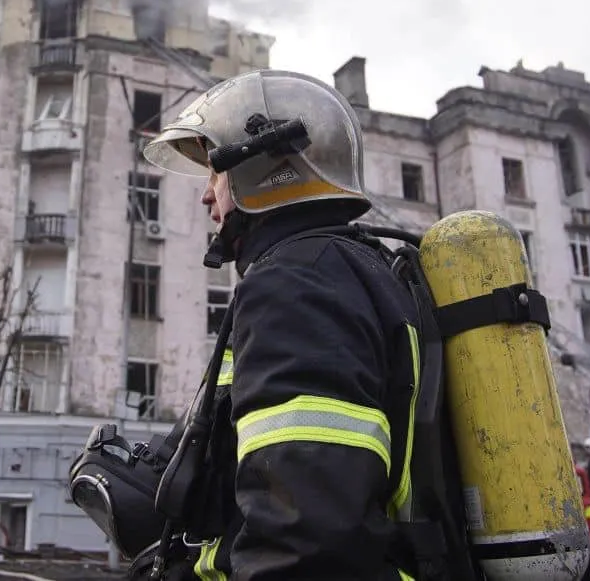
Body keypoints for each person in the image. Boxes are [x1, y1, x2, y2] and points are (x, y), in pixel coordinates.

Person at [137, 69, 424, 581]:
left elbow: (305, 540)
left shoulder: (298, 284)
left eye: (214, 174)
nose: (206, 197)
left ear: (263, 166)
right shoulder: (347, 270)